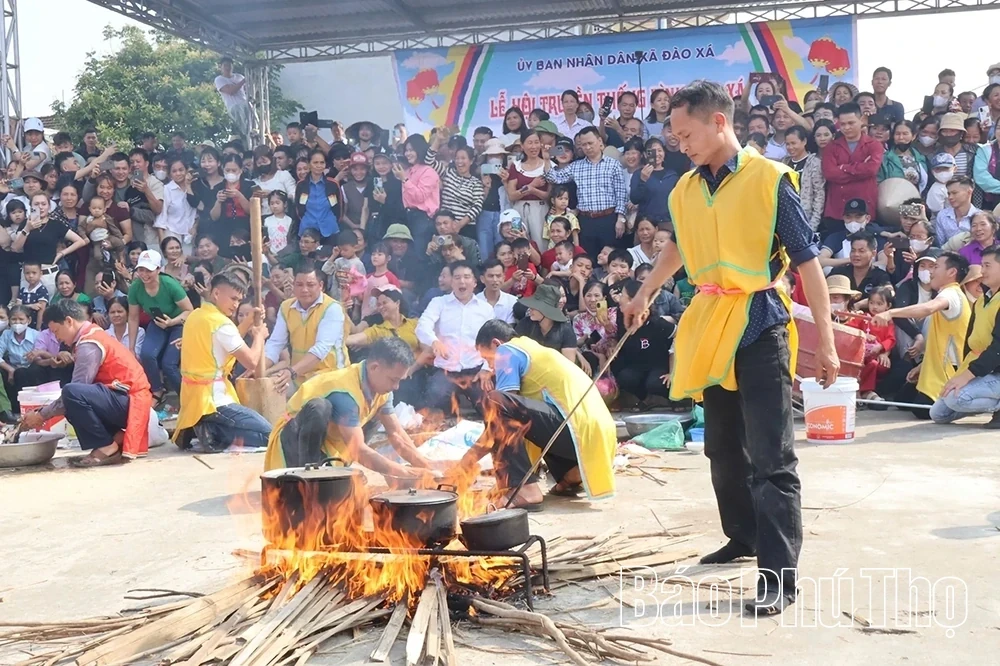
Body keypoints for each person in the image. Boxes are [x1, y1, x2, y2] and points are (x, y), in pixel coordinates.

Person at [622, 81, 839, 616]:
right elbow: (678, 246)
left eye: (687, 134)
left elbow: (807, 261)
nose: (681, 145)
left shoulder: (769, 179)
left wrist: (828, 344)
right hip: (711, 323)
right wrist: (645, 292)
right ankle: (742, 535)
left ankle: (778, 576)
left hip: (761, 321)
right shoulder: (685, 189)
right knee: (721, 446)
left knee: (772, 457)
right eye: (675, 138)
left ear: (719, 122)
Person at [445, 319, 617, 509]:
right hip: (597, 437)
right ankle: (571, 475)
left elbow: (498, 419)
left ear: (496, 343)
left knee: (496, 400)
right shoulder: (533, 349)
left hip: (577, 431)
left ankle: (525, 490)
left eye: (488, 358)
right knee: (522, 414)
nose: (491, 367)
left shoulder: (507, 351)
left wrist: (464, 465)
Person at [262, 336, 437, 477]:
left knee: (377, 415)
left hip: (328, 444)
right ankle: (311, 479)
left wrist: (428, 467)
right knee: (319, 408)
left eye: (399, 380)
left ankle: (335, 471)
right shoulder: (345, 392)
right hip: (291, 442)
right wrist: (404, 472)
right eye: (393, 380)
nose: (396, 387)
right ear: (375, 367)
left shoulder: (382, 389)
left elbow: (397, 434)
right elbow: (358, 449)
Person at [20, 299, 152, 467]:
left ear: (69, 321)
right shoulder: (91, 334)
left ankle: (106, 446)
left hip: (130, 401)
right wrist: (43, 413)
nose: (57, 337)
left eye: (56, 331)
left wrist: (41, 415)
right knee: (70, 398)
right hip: (122, 398)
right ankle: (114, 438)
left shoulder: (89, 343)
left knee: (71, 393)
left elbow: (78, 388)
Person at [173, 269, 273, 452]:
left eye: (239, 300)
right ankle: (212, 432)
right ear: (217, 293)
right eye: (233, 298)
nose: (236, 305)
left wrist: (249, 321)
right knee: (270, 435)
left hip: (194, 399)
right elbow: (251, 361)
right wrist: (259, 337)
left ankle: (200, 428)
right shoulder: (221, 324)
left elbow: (226, 341)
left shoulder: (196, 315)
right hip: (214, 401)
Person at [873, 251, 971, 415]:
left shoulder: (951, 293)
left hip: (950, 368)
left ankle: (963, 402)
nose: (931, 272)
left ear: (951, 272)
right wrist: (922, 366)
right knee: (902, 401)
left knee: (921, 412)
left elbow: (927, 308)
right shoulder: (948, 292)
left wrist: (890, 313)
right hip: (935, 365)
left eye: (936, 267)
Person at [930, 246, 1000, 427]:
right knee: (938, 413)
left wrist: (967, 376)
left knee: (956, 398)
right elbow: (971, 341)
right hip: (983, 368)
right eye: (982, 265)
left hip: (996, 369)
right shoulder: (982, 300)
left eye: (987, 266)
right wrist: (962, 374)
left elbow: (998, 348)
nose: (982, 271)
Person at [414, 261, 494, 415]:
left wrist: (486, 369)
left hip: (475, 369)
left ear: (474, 282)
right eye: (457, 277)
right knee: (434, 401)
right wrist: (434, 341)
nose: (462, 281)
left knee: (490, 408)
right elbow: (422, 326)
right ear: (451, 282)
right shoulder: (438, 303)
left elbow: (493, 342)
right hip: (446, 369)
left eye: (466, 277)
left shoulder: (486, 309)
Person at [264, 260, 351, 392]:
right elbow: (276, 343)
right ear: (293, 285)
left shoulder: (332, 308)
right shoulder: (286, 307)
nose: (304, 290)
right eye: (299, 285)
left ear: (320, 286)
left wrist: (291, 371)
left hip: (331, 377)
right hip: (299, 376)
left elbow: (321, 349)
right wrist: (259, 368)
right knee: (268, 389)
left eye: (310, 285)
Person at [544, 127, 628, 258]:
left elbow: (621, 194)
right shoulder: (576, 166)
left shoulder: (613, 165)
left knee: (610, 258)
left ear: (599, 141)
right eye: (584, 145)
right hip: (585, 220)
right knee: (588, 259)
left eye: (590, 143)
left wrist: (621, 219)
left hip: (608, 219)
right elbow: (554, 178)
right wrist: (546, 159)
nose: (587, 147)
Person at [127, 249, 193, 405]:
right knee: (147, 354)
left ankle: (187, 398)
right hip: (157, 322)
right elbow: (133, 317)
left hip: (178, 323)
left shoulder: (169, 285)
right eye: (141, 270)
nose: (144, 274)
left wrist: (172, 322)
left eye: (148, 270)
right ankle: (157, 389)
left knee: (168, 363)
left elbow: (190, 310)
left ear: (158, 269)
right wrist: (131, 347)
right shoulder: (136, 287)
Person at [821, 102, 884, 234]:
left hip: (865, 208)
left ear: (861, 120)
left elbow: (871, 169)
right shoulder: (831, 147)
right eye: (843, 124)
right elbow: (830, 173)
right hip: (837, 209)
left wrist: (843, 168)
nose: (847, 128)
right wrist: (860, 168)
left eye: (851, 123)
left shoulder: (874, 145)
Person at [12, 193, 88, 296]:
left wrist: (62, 253)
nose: (40, 207)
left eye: (43, 204)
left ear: (49, 206)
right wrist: (27, 229)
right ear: (31, 206)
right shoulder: (25, 224)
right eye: (36, 204)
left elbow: (80, 241)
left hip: (49, 273)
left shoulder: (55, 224)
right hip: (29, 274)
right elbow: (16, 248)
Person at [396, 136, 441, 252]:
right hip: (408, 216)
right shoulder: (407, 172)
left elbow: (420, 196)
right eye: (406, 150)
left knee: (419, 253)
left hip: (423, 218)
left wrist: (404, 180)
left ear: (419, 150)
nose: (408, 153)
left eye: (411, 150)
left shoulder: (428, 172)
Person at [505, 133, 550, 249]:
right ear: (522, 146)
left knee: (541, 243)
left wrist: (533, 190)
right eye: (530, 143)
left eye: (536, 142)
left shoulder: (548, 165)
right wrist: (531, 185)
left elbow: (549, 196)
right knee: (517, 241)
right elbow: (511, 196)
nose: (533, 146)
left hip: (540, 209)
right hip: (517, 210)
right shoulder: (515, 166)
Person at [828, 232, 892, 305]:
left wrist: (860, 305)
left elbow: (888, 294)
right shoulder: (839, 272)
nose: (856, 254)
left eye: (861, 251)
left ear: (873, 253)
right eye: (853, 250)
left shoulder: (880, 275)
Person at [294, 149, 342, 243]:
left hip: (330, 229)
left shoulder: (333, 184)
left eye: (322, 162)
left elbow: (339, 209)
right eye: (315, 162)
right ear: (309, 164)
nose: (319, 166)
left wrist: (332, 220)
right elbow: (298, 209)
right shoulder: (301, 185)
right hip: (307, 229)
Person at [782, 126, 824, 231]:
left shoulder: (814, 163)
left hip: (805, 217)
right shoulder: (784, 162)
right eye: (787, 144)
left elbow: (819, 195)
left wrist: (813, 225)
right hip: (786, 215)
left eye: (793, 143)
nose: (790, 147)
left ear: (804, 141)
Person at [215, 55, 255, 146]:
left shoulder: (239, 76)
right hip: (234, 106)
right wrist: (244, 81)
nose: (228, 68)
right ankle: (246, 142)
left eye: (230, 65)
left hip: (245, 103)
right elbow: (231, 91)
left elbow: (247, 90)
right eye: (225, 65)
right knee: (244, 128)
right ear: (221, 67)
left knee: (253, 124)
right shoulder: (219, 79)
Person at [878, 120, 928, 192]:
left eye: (905, 134)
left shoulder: (920, 158)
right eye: (897, 134)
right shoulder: (885, 159)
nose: (901, 137)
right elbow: (879, 184)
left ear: (913, 136)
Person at [936, 176, 979, 247]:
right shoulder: (942, 215)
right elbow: (940, 246)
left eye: (954, 193)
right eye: (949, 194)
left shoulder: (980, 217)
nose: (950, 197)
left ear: (969, 192)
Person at [476, 258, 517, 323]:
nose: (495, 280)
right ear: (482, 279)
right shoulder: (475, 301)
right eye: (491, 276)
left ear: (503, 278)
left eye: (498, 276)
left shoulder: (513, 302)